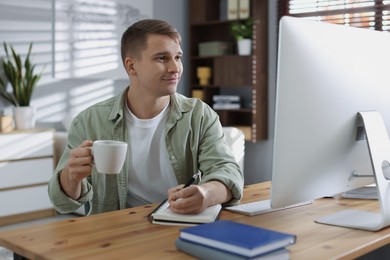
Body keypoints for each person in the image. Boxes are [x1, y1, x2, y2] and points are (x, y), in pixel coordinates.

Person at [48, 19, 244, 215]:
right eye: (162, 58)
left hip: (182, 223)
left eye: (177, 57)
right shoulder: (88, 121)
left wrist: (206, 193)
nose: (175, 68)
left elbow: (228, 172)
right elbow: (61, 204)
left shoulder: (200, 115)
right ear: (132, 66)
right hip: (116, 233)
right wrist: (71, 177)